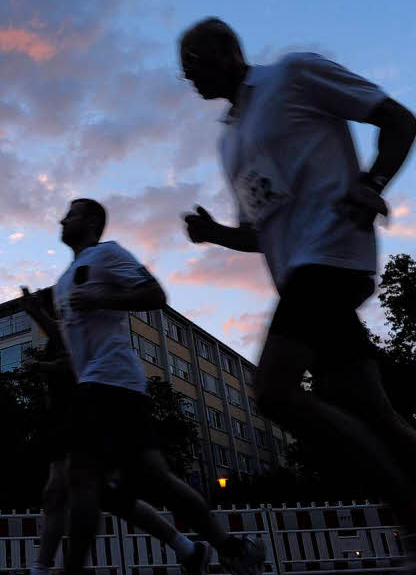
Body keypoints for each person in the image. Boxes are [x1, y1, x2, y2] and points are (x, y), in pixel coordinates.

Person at [179, 17, 416, 574]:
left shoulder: (292, 74)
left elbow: (397, 119)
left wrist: (372, 185)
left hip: (334, 255)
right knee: (371, 409)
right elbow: (261, 227)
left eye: (193, 61)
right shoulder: (229, 141)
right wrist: (216, 234)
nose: (187, 76)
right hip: (301, 276)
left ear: (227, 49)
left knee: (273, 392)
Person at [30, 199, 265, 575]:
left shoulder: (106, 254)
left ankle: (69, 572)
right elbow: (74, 346)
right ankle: (231, 547)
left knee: (82, 478)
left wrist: (103, 297)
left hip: (110, 381)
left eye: (71, 213)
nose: (62, 218)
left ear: (91, 222)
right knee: (149, 479)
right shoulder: (61, 283)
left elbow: (155, 294)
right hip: (102, 387)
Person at [19, 287, 211, 575]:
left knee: (57, 491)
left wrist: (40, 367)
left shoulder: (77, 331)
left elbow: (74, 364)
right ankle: (188, 548)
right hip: (66, 421)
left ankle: (42, 568)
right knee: (109, 499)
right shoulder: (60, 334)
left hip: (86, 420)